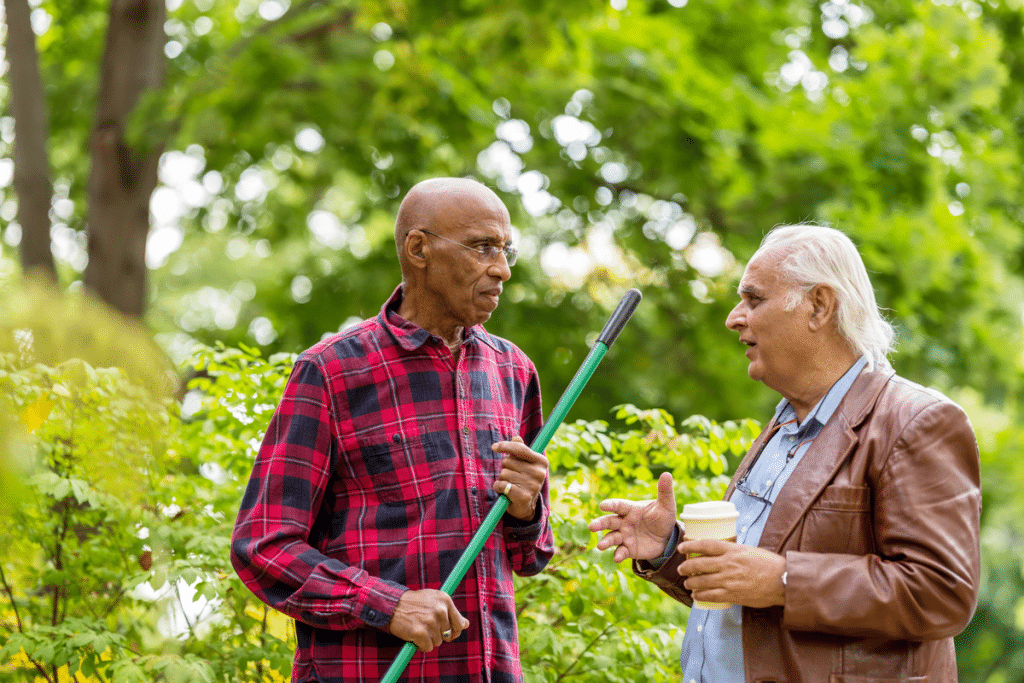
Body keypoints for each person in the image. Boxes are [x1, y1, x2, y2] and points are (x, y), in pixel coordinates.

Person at [588, 224, 981, 682]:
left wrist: (783, 580)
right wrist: (669, 550)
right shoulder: (784, 424)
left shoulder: (916, 421)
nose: (734, 318)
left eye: (754, 300)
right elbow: (748, 595)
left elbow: (941, 593)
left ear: (818, 305)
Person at [231, 177, 554, 683]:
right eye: (483, 248)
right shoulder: (333, 372)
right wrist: (389, 604)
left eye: (506, 249)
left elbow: (530, 555)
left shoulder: (514, 371)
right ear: (419, 249)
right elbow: (264, 546)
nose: (503, 269)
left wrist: (527, 510)